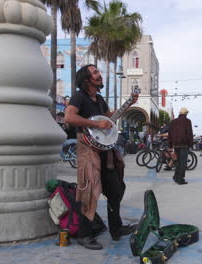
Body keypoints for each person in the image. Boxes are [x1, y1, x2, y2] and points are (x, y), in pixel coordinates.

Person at [64, 64, 137, 250]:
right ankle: (85, 235)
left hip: (105, 151)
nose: (99, 75)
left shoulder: (99, 99)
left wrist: (128, 104)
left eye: (98, 72)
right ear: (87, 79)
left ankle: (116, 228)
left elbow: (107, 119)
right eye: (95, 72)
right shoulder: (79, 97)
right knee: (88, 192)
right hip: (88, 151)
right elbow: (69, 118)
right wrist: (94, 125)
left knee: (115, 190)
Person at [168, 107, 193, 185]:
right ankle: (180, 179)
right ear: (186, 113)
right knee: (183, 163)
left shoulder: (173, 122)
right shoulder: (187, 121)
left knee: (178, 162)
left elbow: (170, 134)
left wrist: (170, 145)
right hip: (184, 144)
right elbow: (189, 134)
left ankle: (176, 177)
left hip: (176, 145)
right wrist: (191, 144)